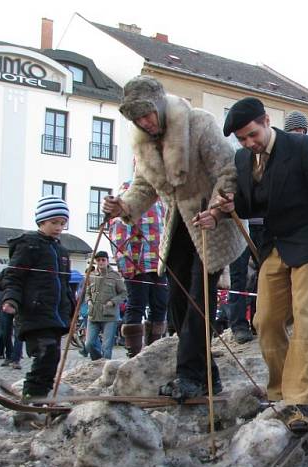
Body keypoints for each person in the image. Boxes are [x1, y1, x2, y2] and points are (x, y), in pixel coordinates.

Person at [103, 75, 246, 401]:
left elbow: (228, 171)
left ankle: (189, 377)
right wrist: (123, 206)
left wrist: (217, 209)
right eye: (138, 118)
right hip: (179, 223)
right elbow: (144, 186)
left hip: (213, 221)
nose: (145, 122)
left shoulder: (199, 124)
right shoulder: (142, 141)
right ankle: (207, 376)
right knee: (179, 303)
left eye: (147, 114)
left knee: (199, 300)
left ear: (160, 106)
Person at [208, 96, 308, 434]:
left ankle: (304, 398)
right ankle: (282, 390)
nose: (249, 143)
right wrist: (222, 209)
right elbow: (245, 203)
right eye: (242, 139)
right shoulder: (243, 159)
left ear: (267, 121)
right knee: (266, 319)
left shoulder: (301, 146)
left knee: (307, 317)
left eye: (253, 134)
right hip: (274, 246)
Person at [0, 196, 75, 401]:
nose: (58, 227)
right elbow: (14, 276)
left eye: (62, 223)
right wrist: (11, 300)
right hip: (35, 312)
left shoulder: (62, 251)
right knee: (45, 354)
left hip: (56, 315)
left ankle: (41, 394)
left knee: (53, 357)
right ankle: (32, 395)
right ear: (41, 221)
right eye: (54, 222)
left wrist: (72, 312)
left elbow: (66, 286)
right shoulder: (29, 245)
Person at [109, 181, 169, 357]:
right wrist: (125, 263)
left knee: (160, 304)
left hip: (159, 262)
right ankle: (134, 353)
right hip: (137, 262)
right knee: (137, 304)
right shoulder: (129, 191)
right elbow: (119, 231)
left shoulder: (161, 195)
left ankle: (153, 351)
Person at [84, 251, 126, 360]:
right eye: (98, 260)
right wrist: (88, 301)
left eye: (103, 260)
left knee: (106, 347)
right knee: (89, 344)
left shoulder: (115, 276)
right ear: (95, 261)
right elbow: (87, 292)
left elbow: (123, 293)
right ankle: (97, 361)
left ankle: (105, 368)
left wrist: (113, 301)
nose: (101, 262)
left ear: (108, 261)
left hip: (110, 315)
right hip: (93, 314)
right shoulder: (91, 275)